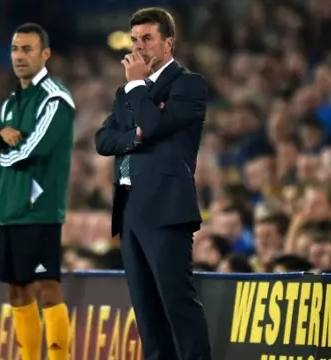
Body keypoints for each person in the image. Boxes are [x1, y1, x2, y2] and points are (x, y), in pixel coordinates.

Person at [94, 7, 211, 360]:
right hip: (129, 209)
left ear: (167, 43)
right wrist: (137, 135)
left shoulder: (188, 84)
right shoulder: (125, 93)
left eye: (147, 38)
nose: (139, 46)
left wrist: (136, 86)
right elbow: (103, 141)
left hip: (166, 207)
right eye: (134, 40)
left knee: (177, 302)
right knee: (146, 310)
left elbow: (156, 126)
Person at [0, 23, 75, 360]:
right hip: (8, 210)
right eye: (16, 49)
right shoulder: (10, 104)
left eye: (28, 49)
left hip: (38, 208)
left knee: (47, 288)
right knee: (16, 291)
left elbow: (32, 149)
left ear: (45, 54)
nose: (20, 56)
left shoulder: (55, 98)